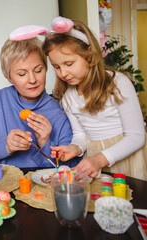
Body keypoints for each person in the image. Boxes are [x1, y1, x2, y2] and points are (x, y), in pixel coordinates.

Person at [43, 17, 147, 180]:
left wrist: (99, 159)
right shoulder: (68, 97)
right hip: (94, 160)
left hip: (127, 159)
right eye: (57, 67)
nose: (63, 73)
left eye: (69, 64)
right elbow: (80, 134)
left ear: (89, 55)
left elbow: (136, 136)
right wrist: (75, 148)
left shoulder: (117, 84)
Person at [0, 25, 80, 168]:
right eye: (22, 74)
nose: (32, 79)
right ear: (9, 77)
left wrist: (45, 143)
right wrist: (6, 145)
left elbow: (69, 166)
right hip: (2, 185)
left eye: (38, 70)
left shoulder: (60, 111)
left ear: (46, 68)